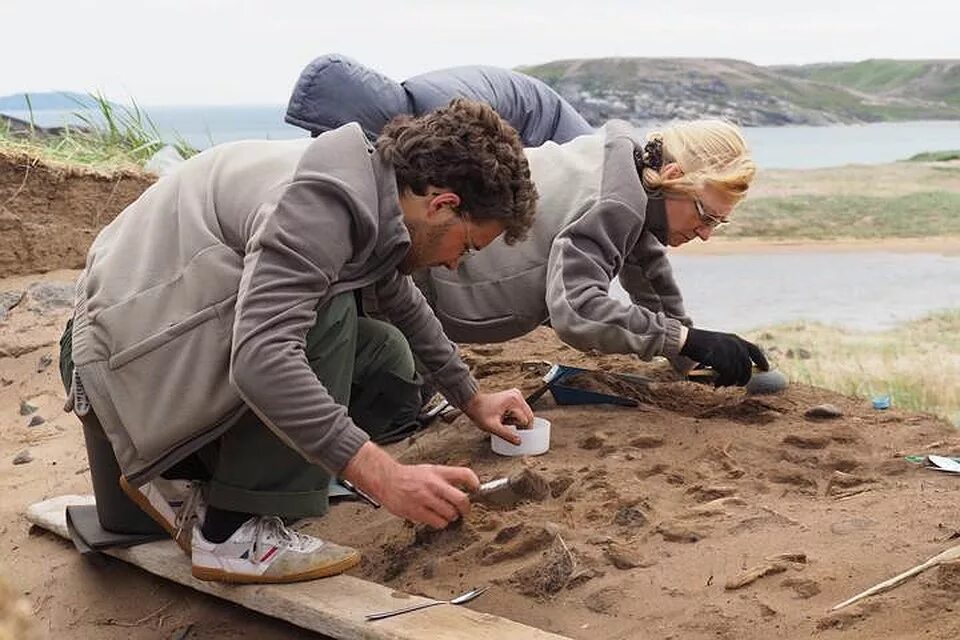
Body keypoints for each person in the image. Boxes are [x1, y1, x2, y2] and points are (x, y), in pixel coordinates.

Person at [59, 98, 539, 584]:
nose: (458, 263)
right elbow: (262, 359)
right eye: (469, 246)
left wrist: (472, 398)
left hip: (156, 351)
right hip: (112, 369)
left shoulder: (370, 189)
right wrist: (383, 475)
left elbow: (402, 299)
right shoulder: (320, 203)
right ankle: (232, 533)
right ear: (443, 205)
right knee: (324, 315)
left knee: (384, 355)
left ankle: (212, 483)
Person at [285, 58, 768, 388]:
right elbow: (577, 311)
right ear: (674, 177)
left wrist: (689, 352)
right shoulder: (613, 203)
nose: (704, 233)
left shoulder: (626, 184)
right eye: (705, 215)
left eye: (717, 225)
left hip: (432, 286)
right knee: (384, 388)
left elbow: (651, 279)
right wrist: (685, 340)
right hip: (431, 279)